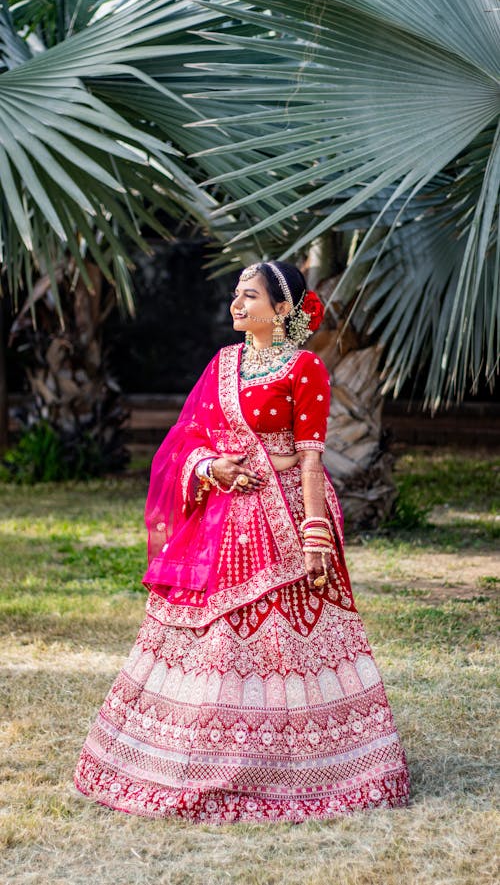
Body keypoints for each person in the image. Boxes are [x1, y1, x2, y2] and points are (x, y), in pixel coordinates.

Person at [74, 260, 410, 823]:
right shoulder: (224, 363)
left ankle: (299, 767)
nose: (236, 304)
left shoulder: (306, 369)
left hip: (285, 515)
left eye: (249, 296)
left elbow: (309, 459)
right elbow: (188, 438)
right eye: (236, 294)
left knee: (285, 639)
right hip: (224, 517)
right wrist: (210, 468)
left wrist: (314, 536)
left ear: (282, 310)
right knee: (217, 640)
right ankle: (194, 754)